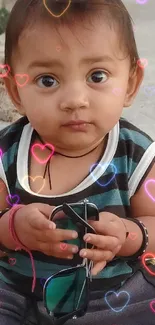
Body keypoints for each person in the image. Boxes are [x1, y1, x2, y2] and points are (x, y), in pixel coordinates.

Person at [0, 0, 155, 324]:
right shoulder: (8, 153)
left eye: (96, 76)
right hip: (17, 291)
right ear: (15, 89)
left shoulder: (136, 154)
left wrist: (129, 234)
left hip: (114, 296)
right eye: (47, 80)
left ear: (130, 83)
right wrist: (12, 227)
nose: (74, 100)